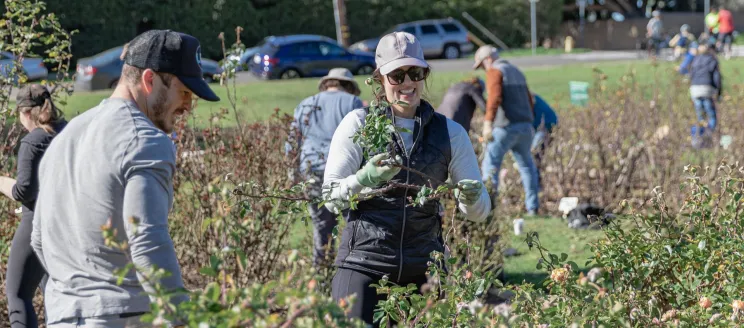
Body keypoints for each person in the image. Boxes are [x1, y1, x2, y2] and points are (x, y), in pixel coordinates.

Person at [31, 29, 220, 327]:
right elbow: (147, 239)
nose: (188, 106)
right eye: (184, 92)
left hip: (63, 316)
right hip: (123, 315)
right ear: (149, 80)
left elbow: (39, 238)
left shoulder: (66, 137)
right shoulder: (146, 141)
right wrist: (183, 317)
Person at [322, 31, 490, 326]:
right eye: (396, 75)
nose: (408, 82)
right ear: (380, 79)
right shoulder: (358, 125)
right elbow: (331, 198)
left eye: (415, 72)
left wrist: (472, 197)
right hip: (364, 263)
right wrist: (364, 178)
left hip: (424, 267)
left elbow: (479, 214)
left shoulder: (450, 133)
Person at [0, 85, 66, 328]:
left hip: (37, 223)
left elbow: (23, 191)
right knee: (54, 292)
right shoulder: (67, 131)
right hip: (67, 223)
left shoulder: (33, 140)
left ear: (25, 113)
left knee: (18, 295)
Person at [289, 67, 363, 267]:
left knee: (322, 227)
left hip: (311, 170)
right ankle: (351, 270)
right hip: (343, 172)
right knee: (353, 224)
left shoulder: (305, 104)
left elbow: (292, 142)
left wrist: (293, 174)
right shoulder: (352, 102)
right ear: (348, 86)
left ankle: (321, 277)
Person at [473, 45, 539, 216]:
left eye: (482, 65)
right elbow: (530, 100)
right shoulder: (517, 71)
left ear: (488, 59)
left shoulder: (495, 71)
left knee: (490, 166)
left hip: (505, 127)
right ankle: (532, 208)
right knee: (527, 167)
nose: (483, 69)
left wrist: (487, 123)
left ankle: (489, 208)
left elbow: (494, 98)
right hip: (526, 126)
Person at [689, 43, 722, 133]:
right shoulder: (712, 60)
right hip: (706, 88)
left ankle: (700, 135)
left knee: (700, 115)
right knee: (711, 114)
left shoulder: (695, 59)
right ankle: (711, 134)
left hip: (694, 89)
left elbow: (691, 75)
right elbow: (717, 77)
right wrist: (718, 91)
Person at [531, 93, 558, 191]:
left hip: (545, 126)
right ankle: (536, 185)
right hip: (543, 127)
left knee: (534, 155)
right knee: (534, 156)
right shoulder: (526, 97)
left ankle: (537, 187)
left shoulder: (528, 98)